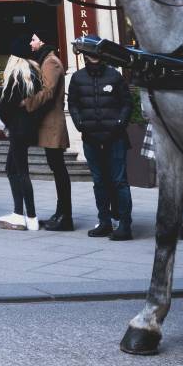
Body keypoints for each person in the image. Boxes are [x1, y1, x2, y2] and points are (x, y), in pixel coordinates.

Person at [67, 54, 134, 240]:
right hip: (91, 137)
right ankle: (104, 221)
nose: (93, 56)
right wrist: (79, 122)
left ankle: (125, 224)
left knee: (119, 181)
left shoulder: (114, 76)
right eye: (89, 53)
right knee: (99, 181)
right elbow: (72, 103)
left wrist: (120, 123)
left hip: (116, 137)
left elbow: (127, 103)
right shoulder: (78, 78)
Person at [25, 32, 73, 231]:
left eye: (33, 39)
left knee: (59, 169)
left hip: (53, 125)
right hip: (49, 124)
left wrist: (26, 103)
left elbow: (48, 92)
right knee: (56, 168)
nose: (31, 42)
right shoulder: (44, 60)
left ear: (42, 41)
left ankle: (66, 217)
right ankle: (60, 213)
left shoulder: (50, 62)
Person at [0, 54, 40, 231]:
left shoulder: (15, 78)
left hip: (17, 129)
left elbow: (7, 105)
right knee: (12, 169)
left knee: (20, 171)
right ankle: (21, 213)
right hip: (29, 128)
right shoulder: (34, 77)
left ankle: (28, 215)